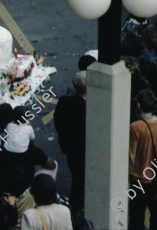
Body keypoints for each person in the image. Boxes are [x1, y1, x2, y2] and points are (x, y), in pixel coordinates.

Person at [128, 89, 157, 230]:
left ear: (138, 106)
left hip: (139, 179)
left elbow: (131, 156)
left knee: (137, 216)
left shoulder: (135, 127)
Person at [54, 71, 86, 217]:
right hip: (83, 150)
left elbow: (58, 121)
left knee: (77, 176)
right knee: (80, 179)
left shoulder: (65, 102)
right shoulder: (87, 109)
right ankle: (77, 208)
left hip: (69, 148)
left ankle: (75, 206)